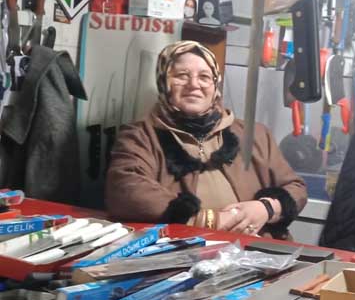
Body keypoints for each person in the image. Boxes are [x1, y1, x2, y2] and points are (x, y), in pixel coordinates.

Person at [105, 40, 307, 238]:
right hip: (182, 251)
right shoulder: (140, 136)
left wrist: (266, 208)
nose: (194, 85)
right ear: (163, 82)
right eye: (182, 75)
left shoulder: (255, 134)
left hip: (259, 249)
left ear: (215, 85)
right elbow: (125, 189)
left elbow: (296, 188)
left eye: (204, 77)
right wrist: (207, 220)